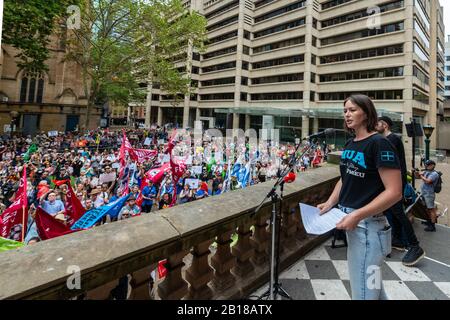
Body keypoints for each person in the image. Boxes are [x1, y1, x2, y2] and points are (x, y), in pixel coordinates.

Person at [318, 94, 403, 300]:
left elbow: (394, 192)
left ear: (366, 113)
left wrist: (357, 215)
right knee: (372, 288)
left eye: (353, 110)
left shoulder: (379, 143)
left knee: (363, 292)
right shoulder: (351, 143)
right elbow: (345, 178)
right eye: (345, 110)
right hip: (354, 224)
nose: (347, 114)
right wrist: (330, 203)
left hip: (368, 227)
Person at [376, 116, 425, 266]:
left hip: (395, 184)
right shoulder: (387, 139)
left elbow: (396, 165)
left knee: (398, 213)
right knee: (390, 212)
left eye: (377, 124)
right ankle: (398, 240)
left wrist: (399, 186)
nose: (374, 126)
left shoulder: (392, 139)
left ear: (384, 125)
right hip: (391, 184)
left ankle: (414, 246)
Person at [416, 159, 440, 232]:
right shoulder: (427, 171)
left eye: (429, 165)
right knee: (427, 208)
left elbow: (427, 181)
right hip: (424, 192)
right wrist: (417, 173)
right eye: (426, 165)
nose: (427, 166)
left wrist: (421, 174)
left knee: (431, 209)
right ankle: (429, 221)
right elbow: (418, 177)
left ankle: (432, 226)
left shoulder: (434, 174)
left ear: (433, 165)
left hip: (429, 193)